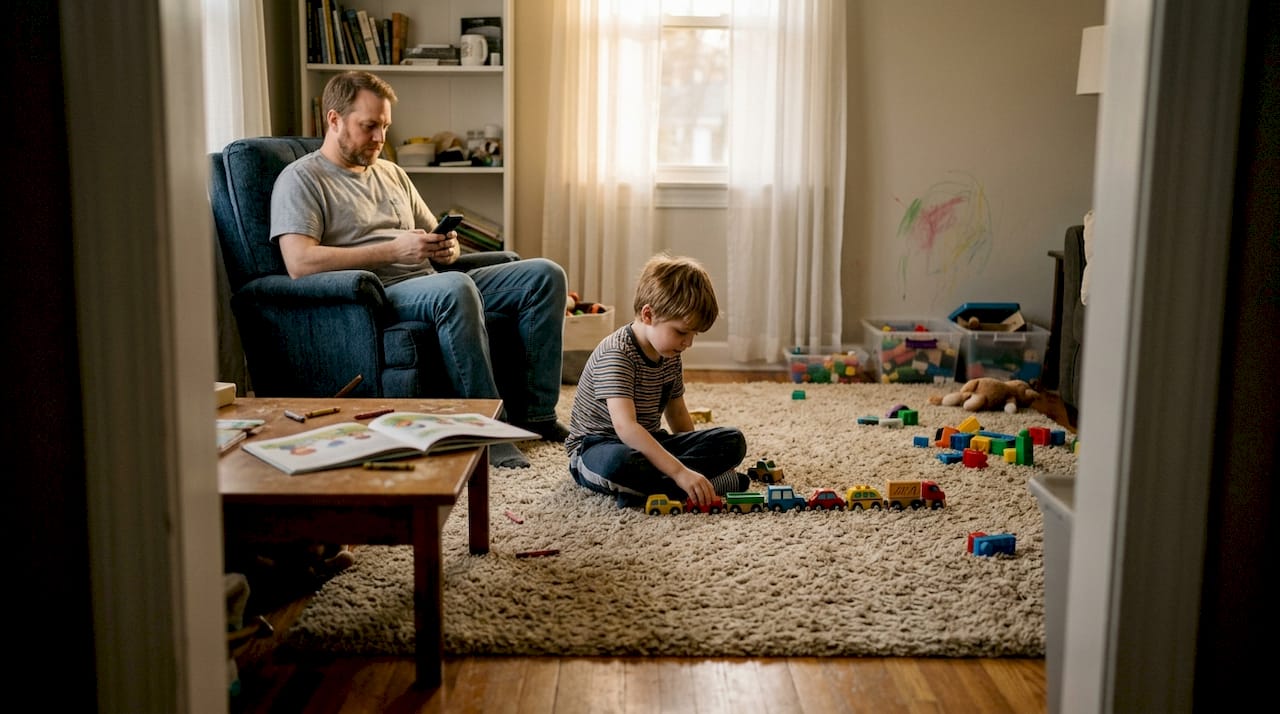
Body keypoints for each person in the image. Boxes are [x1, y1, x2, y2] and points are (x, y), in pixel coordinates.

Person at [270, 70, 567, 468]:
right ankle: (488, 429)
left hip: (430, 279)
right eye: (369, 126)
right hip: (376, 294)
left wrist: (445, 247)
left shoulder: (391, 172)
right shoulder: (302, 179)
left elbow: (431, 233)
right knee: (455, 288)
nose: (380, 138)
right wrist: (394, 249)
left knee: (545, 275)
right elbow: (299, 262)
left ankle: (538, 416)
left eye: (385, 127)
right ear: (334, 119)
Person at [566, 254, 748, 507]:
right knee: (621, 463)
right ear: (648, 315)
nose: (688, 343)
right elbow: (626, 428)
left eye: (693, 334)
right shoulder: (617, 354)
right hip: (597, 448)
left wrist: (689, 462)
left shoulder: (670, 352)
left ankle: (650, 490)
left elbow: (678, 413)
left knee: (733, 441)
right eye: (682, 332)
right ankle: (696, 485)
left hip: (649, 441)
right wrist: (681, 472)